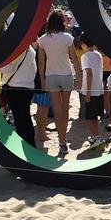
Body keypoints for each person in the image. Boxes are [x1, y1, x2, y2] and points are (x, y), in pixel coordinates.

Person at [37, 10, 79, 155]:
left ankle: (61, 141)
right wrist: (79, 77)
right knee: (65, 109)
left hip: (51, 76)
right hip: (66, 75)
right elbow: (74, 59)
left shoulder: (43, 39)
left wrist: (42, 80)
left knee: (57, 109)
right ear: (61, 22)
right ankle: (63, 140)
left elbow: (41, 63)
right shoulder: (67, 37)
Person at [0, 42, 37, 146]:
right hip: (28, 87)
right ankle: (31, 143)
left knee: (20, 119)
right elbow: (34, 69)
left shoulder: (17, 50)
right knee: (26, 117)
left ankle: (25, 144)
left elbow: (9, 68)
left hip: (15, 88)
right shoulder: (30, 50)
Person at [79, 33, 105, 149]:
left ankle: (97, 137)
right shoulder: (98, 54)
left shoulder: (85, 56)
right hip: (98, 90)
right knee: (93, 117)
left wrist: (88, 92)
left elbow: (89, 74)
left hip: (90, 90)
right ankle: (96, 137)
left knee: (88, 117)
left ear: (84, 44)